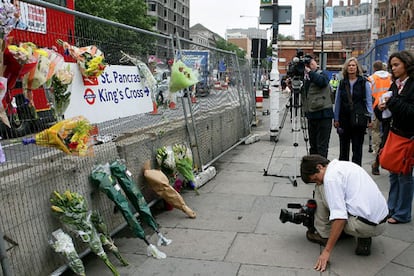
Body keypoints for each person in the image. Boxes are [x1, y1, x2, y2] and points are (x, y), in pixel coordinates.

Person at [300, 154, 388, 272]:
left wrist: (326, 251)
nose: (318, 181)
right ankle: (363, 236)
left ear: (320, 167)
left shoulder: (330, 178)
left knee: (320, 189)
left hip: (365, 225)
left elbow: (340, 218)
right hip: (382, 222)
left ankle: (324, 233)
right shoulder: (346, 165)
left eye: (315, 178)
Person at [376, 50, 414, 224]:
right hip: (394, 133)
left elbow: (410, 112)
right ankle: (391, 208)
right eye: (392, 65)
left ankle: (403, 213)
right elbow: (389, 107)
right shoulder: (395, 84)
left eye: (397, 64)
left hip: (408, 137)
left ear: (406, 64)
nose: (393, 68)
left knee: (404, 176)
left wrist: (392, 102)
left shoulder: (412, 85)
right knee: (392, 172)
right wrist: (381, 107)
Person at [334, 57, 373, 166]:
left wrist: (370, 118)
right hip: (344, 119)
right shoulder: (342, 83)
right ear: (346, 68)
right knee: (343, 149)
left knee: (357, 149)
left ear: (357, 68)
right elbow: (338, 102)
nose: (351, 67)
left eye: (353, 65)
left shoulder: (364, 83)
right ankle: (343, 172)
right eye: (349, 65)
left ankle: (356, 173)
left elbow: (368, 101)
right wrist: (336, 118)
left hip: (359, 119)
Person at [302, 55, 334, 158]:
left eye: (312, 63)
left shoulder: (323, 73)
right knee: (313, 147)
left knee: (322, 147)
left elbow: (322, 82)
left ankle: (322, 170)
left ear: (316, 63)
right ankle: (313, 169)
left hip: (323, 116)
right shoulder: (305, 78)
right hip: (312, 116)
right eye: (308, 65)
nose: (310, 66)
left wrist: (310, 72)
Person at [368, 61, 392, 175]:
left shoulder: (371, 78)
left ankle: (376, 150)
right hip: (391, 108)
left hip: (377, 107)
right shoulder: (391, 77)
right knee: (388, 136)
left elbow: (369, 94)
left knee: (376, 131)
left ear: (374, 68)